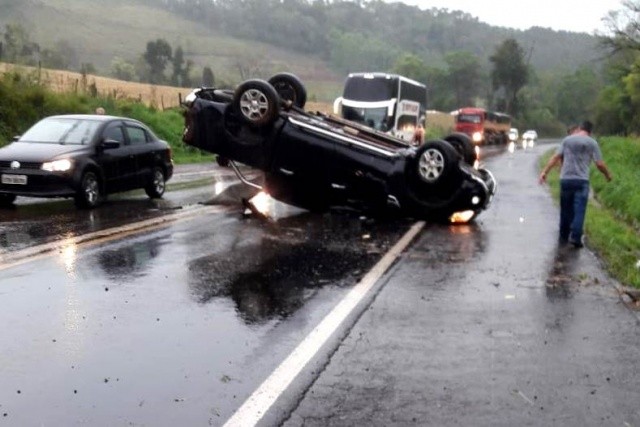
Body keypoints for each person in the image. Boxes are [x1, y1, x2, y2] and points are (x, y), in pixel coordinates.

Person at [538, 120, 612, 248]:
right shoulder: (593, 143)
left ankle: (563, 236)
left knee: (565, 209)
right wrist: (607, 175)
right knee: (579, 211)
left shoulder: (567, 140)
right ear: (590, 131)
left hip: (566, 179)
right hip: (582, 181)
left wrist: (545, 172)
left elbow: (556, 157)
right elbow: (599, 164)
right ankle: (576, 238)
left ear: (580, 128)